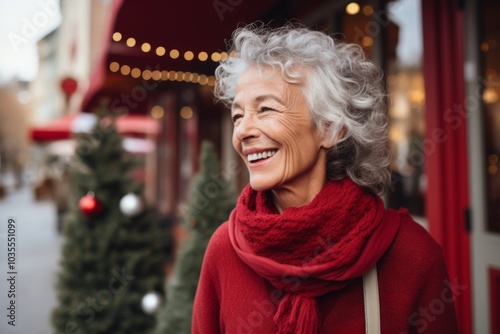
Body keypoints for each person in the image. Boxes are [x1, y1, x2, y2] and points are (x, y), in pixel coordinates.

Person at [192, 24, 459, 334]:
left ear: (332, 128)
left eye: (265, 109)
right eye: (238, 115)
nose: (243, 131)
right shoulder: (224, 249)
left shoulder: (411, 254)